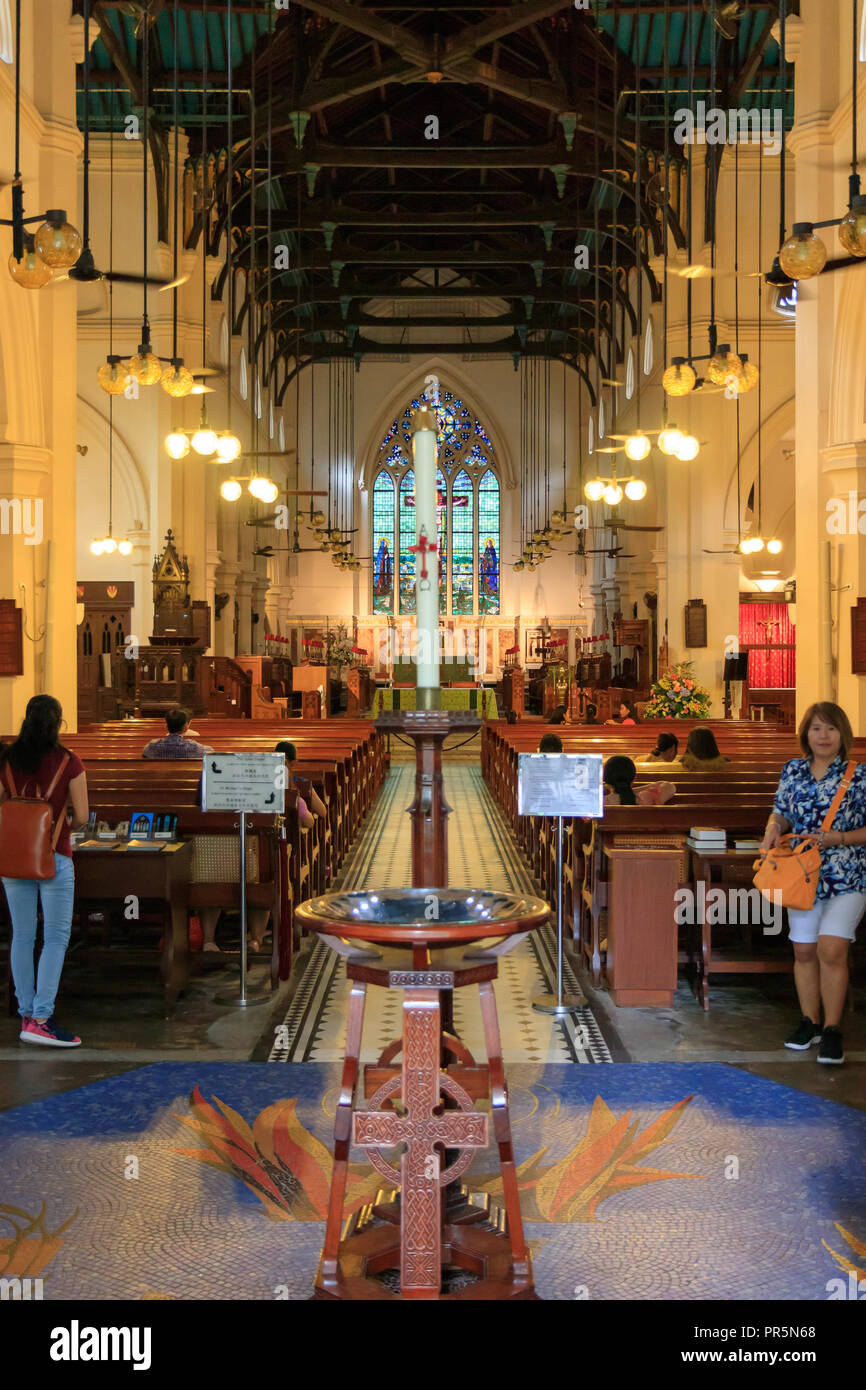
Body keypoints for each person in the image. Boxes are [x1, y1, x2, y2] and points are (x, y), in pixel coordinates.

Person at [760, 701, 866, 1065]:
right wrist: (773, 828)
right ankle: (810, 1021)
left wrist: (840, 838)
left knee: (832, 950)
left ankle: (833, 1030)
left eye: (831, 728)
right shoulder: (793, 770)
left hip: (846, 873)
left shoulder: (859, 775)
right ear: (805, 733)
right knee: (803, 951)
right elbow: (782, 812)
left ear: (843, 735)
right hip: (800, 873)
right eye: (816, 728)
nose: (823, 736)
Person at [0, 696, 89, 1047]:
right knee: (54, 938)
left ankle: (25, 1014)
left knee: (22, 935)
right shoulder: (69, 762)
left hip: (13, 859)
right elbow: (81, 815)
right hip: (55, 857)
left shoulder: (6, 760)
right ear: (58, 723)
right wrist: (58, 826)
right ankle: (42, 1018)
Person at [142, 707, 214, 759]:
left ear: (166, 727)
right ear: (186, 727)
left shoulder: (153, 745)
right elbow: (211, 751)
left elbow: (145, 752)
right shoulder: (192, 746)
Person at [603, 755, 675, 807]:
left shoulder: (601, 803)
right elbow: (669, 786)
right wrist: (627, 789)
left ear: (606, 779)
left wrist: (621, 789)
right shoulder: (645, 799)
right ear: (634, 778)